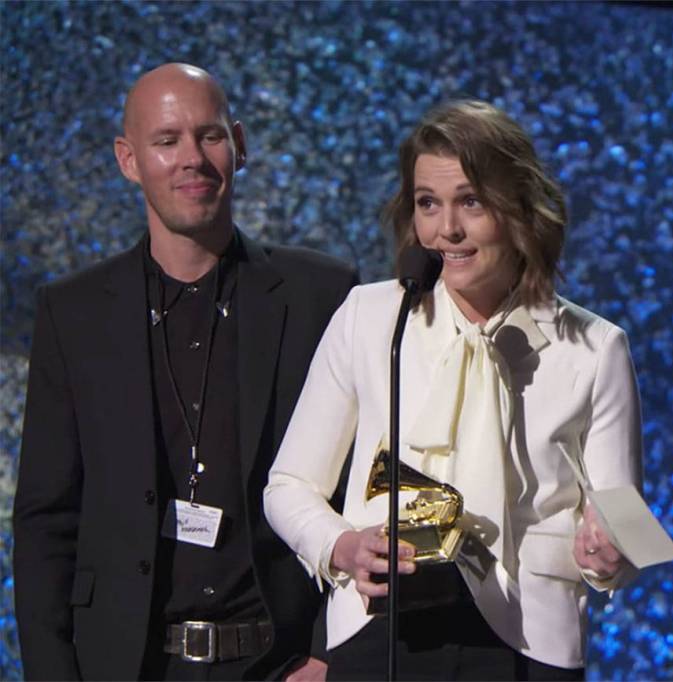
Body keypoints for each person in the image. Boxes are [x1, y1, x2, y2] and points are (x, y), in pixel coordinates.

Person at [264, 100, 643, 680]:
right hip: (382, 629)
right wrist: (342, 546)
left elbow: (623, 515)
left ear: (519, 207)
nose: (447, 229)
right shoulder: (370, 318)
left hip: (529, 640)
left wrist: (611, 555)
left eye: (471, 201)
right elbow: (289, 486)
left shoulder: (594, 347)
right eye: (428, 203)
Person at [13, 63, 357, 680]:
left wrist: (332, 654)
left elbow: (362, 486)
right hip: (129, 666)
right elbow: (46, 522)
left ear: (240, 145)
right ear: (128, 160)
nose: (192, 158)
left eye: (210, 135)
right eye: (167, 141)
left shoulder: (322, 294)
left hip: (281, 663)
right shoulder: (73, 313)